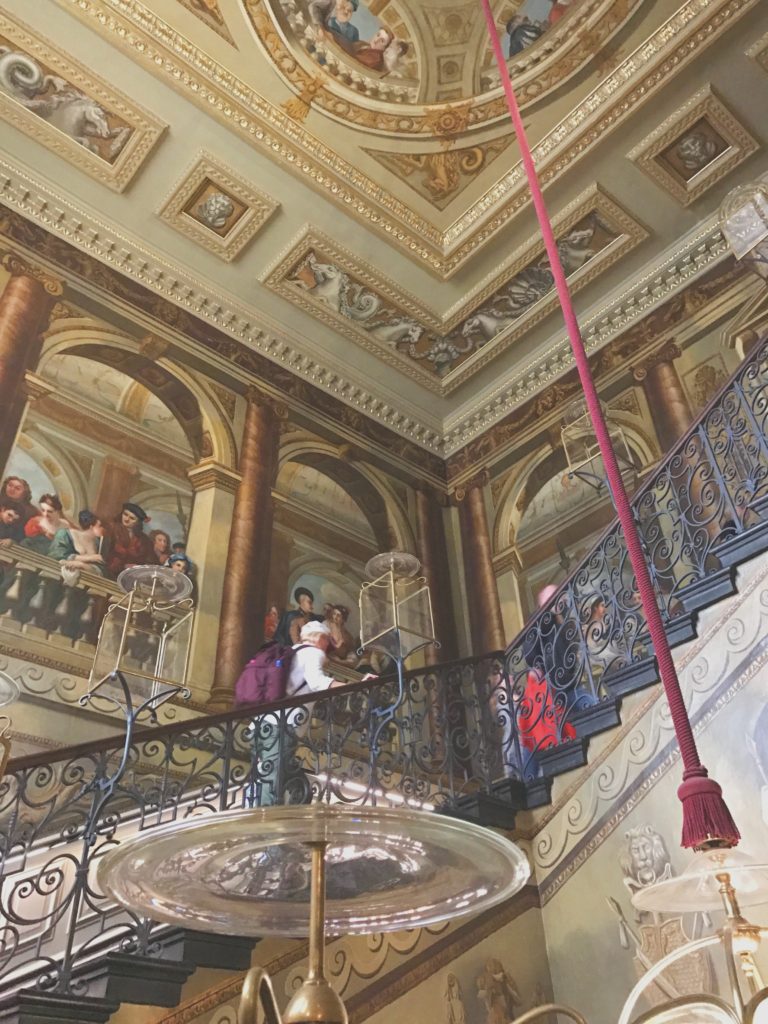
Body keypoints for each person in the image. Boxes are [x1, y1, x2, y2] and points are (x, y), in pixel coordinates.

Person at [253, 620, 346, 807]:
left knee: (272, 772)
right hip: (281, 726)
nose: (327, 647)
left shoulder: (292, 651)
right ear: (320, 638)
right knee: (273, 777)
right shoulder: (313, 653)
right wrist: (356, 685)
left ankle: (295, 803)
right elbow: (318, 682)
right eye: (327, 641)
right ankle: (264, 820)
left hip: (260, 725)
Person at [46, 510, 106, 638]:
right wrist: (86, 559)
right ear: (91, 526)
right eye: (100, 526)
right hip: (58, 585)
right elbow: (56, 555)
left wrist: (82, 565)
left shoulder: (97, 544)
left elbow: (101, 570)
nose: (103, 529)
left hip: (83, 592)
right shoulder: (65, 534)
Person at [104, 502, 157, 579]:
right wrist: (123, 566)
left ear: (138, 522)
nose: (127, 519)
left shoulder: (144, 540)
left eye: (132, 518)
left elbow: (151, 561)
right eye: (125, 514)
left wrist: (138, 568)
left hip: (133, 577)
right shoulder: (112, 529)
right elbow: (104, 553)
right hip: (110, 573)